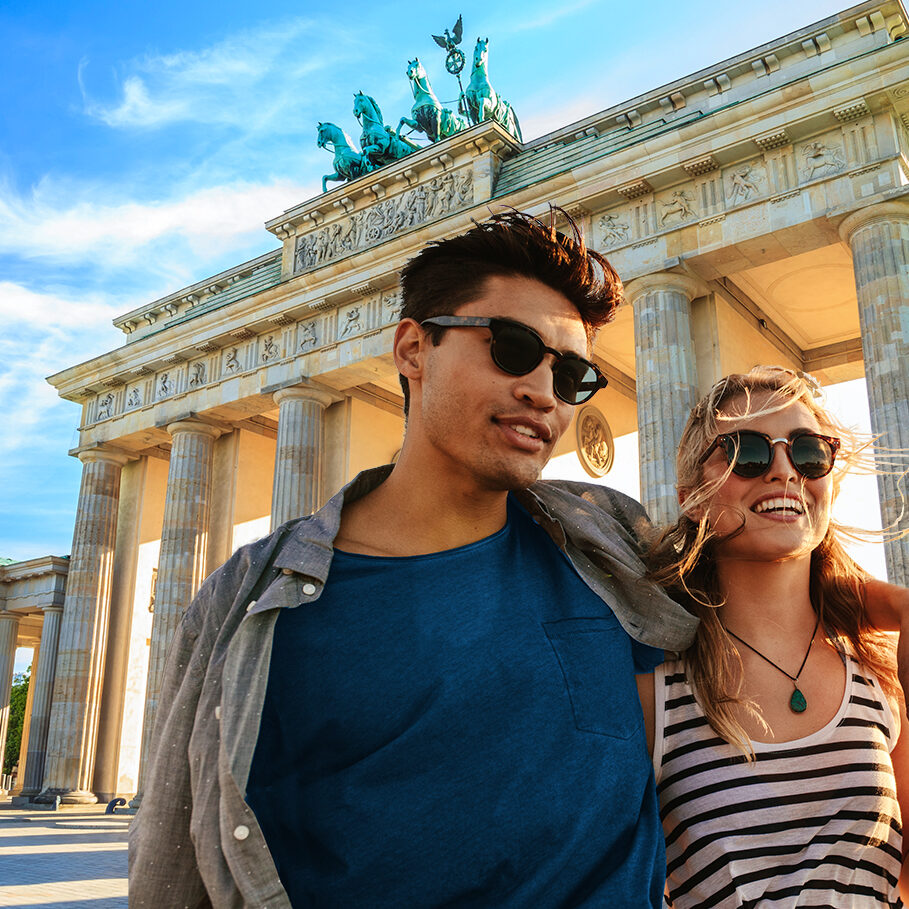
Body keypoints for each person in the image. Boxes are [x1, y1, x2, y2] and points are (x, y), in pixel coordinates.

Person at [128, 209, 702, 908]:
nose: (544, 394)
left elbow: (771, 581)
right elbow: (170, 859)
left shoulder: (611, 548)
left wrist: (875, 610)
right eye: (513, 347)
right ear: (412, 347)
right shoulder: (246, 601)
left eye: (572, 374)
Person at [639, 367, 909, 907]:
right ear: (691, 498)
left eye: (808, 452)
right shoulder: (654, 686)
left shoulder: (878, 672)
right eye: (746, 451)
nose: (784, 471)